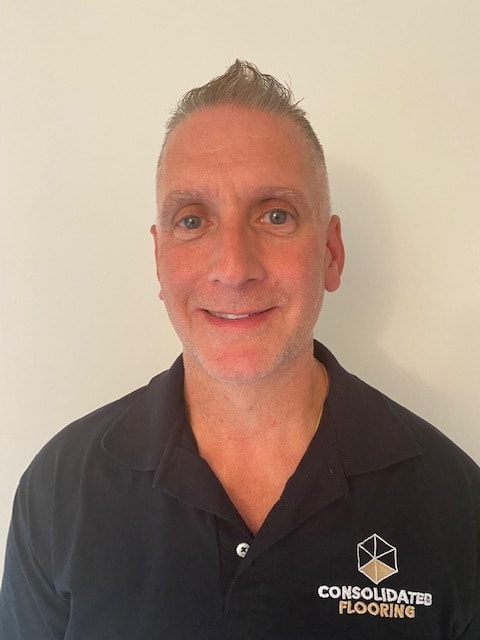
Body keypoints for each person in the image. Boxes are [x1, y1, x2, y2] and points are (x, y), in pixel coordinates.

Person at [1, 60, 479, 640]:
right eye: (193, 220)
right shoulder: (60, 491)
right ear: (159, 259)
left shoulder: (454, 503)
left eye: (276, 215)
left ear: (331, 253)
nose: (233, 268)